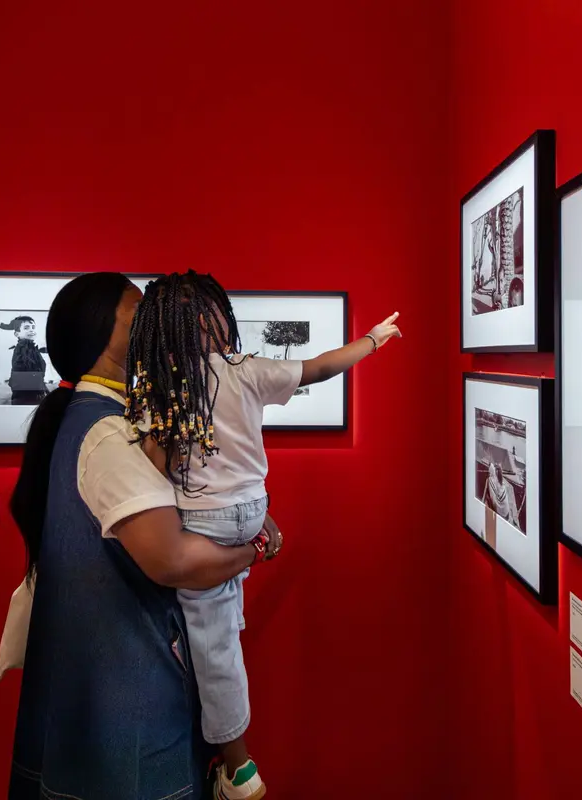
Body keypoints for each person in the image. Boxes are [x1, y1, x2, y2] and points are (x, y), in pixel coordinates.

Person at [125, 270, 402, 799]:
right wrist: (370, 341)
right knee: (223, 614)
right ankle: (228, 602)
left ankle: (239, 768)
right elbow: (320, 368)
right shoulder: (244, 370)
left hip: (202, 521)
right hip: (253, 510)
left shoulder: (166, 387)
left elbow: (154, 470)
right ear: (215, 318)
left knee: (215, 650)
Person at [7, 271, 282, 800]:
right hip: (125, 695)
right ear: (104, 333)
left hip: (114, 688)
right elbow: (174, 560)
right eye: (141, 313)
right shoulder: (106, 433)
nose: (159, 323)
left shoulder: (108, 419)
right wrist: (250, 548)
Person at [1, 315, 49, 405]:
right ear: (17, 334)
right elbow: (29, 374)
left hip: (31, 394)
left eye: (33, 327)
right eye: (26, 328)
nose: (31, 330)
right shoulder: (23, 347)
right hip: (26, 397)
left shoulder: (31, 348)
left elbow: (36, 374)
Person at [481, 461, 519, 526]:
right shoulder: (503, 484)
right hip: (506, 513)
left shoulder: (490, 480)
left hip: (499, 513)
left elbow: (492, 497)